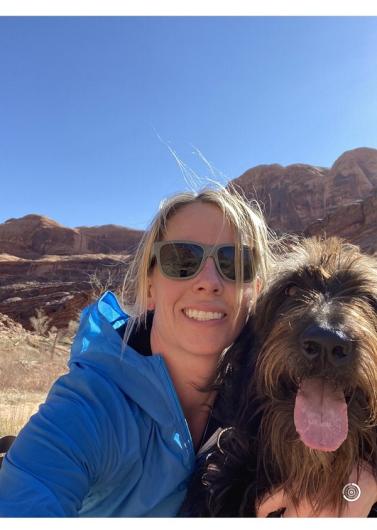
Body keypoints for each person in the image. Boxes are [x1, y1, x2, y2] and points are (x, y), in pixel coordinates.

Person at [0, 186, 272, 516]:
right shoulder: (94, 406)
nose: (209, 280)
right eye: (182, 259)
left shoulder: (269, 400)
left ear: (254, 292)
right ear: (149, 284)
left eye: (235, 262)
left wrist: (350, 492)